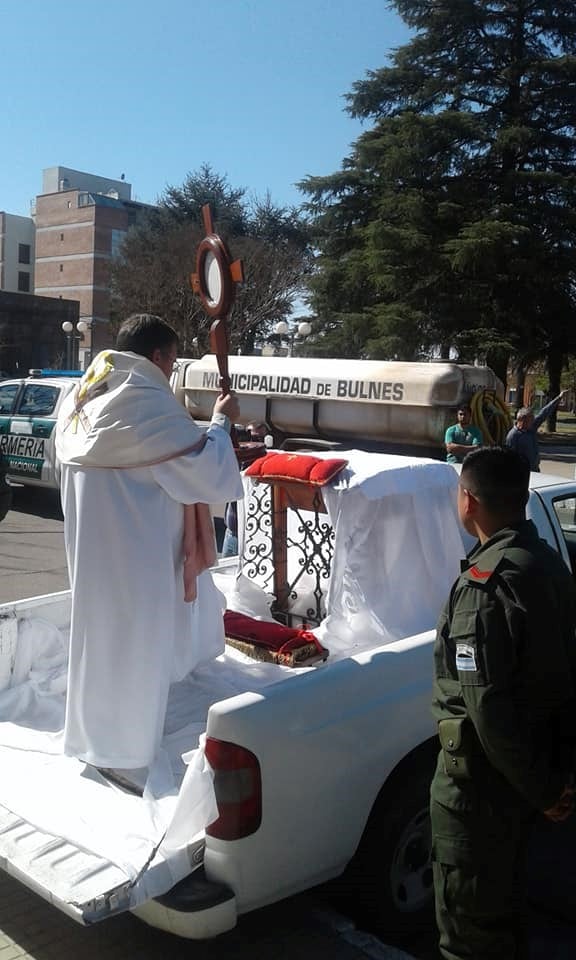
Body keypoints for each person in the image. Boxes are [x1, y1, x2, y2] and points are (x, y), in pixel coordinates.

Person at [55, 314, 244, 784]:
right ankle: (124, 756)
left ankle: (90, 738)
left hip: (91, 551)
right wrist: (222, 422)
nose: (171, 371)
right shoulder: (143, 403)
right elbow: (204, 469)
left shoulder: (83, 395)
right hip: (138, 558)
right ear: (158, 357)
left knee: (97, 646)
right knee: (134, 651)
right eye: (173, 361)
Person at [431, 446, 576, 960]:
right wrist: (550, 785)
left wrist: (543, 790)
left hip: (480, 796)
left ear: (468, 501)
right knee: (510, 917)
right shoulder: (548, 565)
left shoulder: (484, 587)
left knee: (469, 937)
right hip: (528, 786)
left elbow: (487, 709)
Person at [221, 422, 268, 558]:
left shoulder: (264, 466)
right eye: (250, 438)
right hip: (232, 533)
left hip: (252, 535)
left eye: (258, 440)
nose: (253, 443)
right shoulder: (234, 460)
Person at [505, 390, 568, 471]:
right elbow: (510, 458)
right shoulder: (513, 436)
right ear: (521, 420)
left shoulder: (531, 428)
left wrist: (559, 398)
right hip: (522, 473)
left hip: (535, 470)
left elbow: (544, 413)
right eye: (530, 420)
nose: (533, 423)